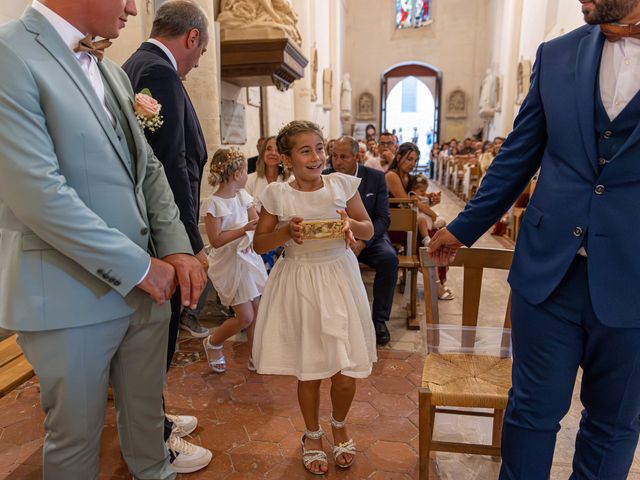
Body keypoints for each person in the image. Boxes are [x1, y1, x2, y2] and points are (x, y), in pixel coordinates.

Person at [428, 1, 640, 478]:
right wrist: (463, 228)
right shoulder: (558, 54)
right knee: (530, 413)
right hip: (549, 274)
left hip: (634, 277)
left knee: (614, 424)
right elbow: (517, 155)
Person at [0, 1, 208, 478]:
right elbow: (38, 192)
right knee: (75, 442)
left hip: (146, 292)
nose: (134, 8)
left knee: (147, 427)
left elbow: (148, 169)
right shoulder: (9, 53)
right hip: (69, 293)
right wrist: (140, 267)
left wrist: (174, 245)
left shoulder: (112, 71)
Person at [252, 121, 377, 475]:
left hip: (339, 277)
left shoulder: (341, 184)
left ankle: (339, 424)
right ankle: (311, 434)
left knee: (345, 371)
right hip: (300, 280)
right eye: (306, 150)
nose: (317, 156)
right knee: (309, 370)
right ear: (288, 159)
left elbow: (368, 226)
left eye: (320, 148)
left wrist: (352, 226)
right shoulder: (277, 194)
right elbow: (259, 244)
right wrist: (284, 232)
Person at [122, 1, 212, 472]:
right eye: (198, 54)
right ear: (192, 38)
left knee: (152, 340)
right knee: (159, 339)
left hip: (149, 232)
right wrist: (188, 243)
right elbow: (169, 166)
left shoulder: (134, 64)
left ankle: (152, 417)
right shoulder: (159, 73)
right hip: (162, 237)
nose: (196, 64)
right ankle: (154, 438)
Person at [325, 136, 398, 346]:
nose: (338, 162)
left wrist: (364, 242)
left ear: (357, 157)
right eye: (334, 156)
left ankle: (379, 321)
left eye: (344, 157)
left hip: (370, 239)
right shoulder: (325, 177)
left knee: (389, 259)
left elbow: (384, 218)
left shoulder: (375, 177)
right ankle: (337, 319)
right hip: (337, 239)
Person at [201, 148, 267, 374]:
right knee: (245, 317)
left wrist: (250, 234)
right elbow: (216, 240)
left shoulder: (243, 196)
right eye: (245, 171)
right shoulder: (213, 203)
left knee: (257, 310)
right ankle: (214, 342)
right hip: (229, 263)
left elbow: (254, 222)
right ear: (237, 173)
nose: (247, 175)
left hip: (247, 258)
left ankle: (254, 356)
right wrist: (243, 231)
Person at [386, 143, 453, 300]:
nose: (412, 164)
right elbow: (407, 203)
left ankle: (437, 281)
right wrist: (428, 209)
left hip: (407, 222)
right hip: (393, 225)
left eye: (415, 161)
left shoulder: (408, 178)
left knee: (436, 234)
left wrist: (431, 200)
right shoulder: (391, 176)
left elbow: (415, 200)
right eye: (409, 159)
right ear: (398, 157)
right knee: (430, 237)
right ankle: (435, 284)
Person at [245, 136, 292, 272]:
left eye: (277, 150)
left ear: (283, 155)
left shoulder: (291, 180)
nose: (272, 153)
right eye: (268, 149)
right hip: (257, 232)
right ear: (262, 153)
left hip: (284, 233)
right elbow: (245, 206)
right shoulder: (250, 179)